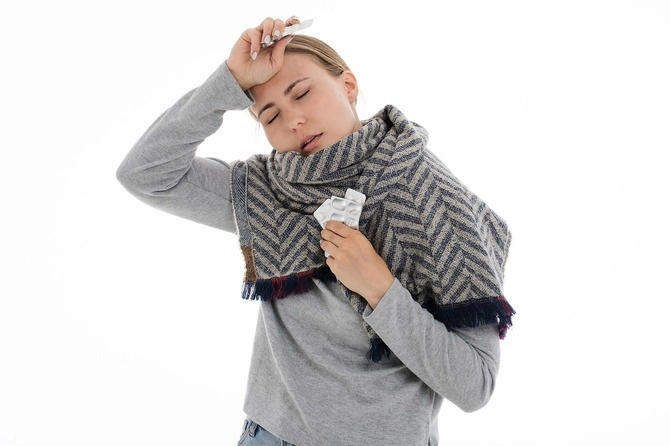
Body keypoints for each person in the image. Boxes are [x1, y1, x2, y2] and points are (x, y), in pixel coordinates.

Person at [116, 15, 515, 446]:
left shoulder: (432, 197)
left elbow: (475, 383)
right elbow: (145, 173)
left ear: (348, 85)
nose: (293, 121)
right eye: (271, 116)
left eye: (302, 93)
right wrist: (229, 81)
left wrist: (379, 289)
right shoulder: (267, 194)